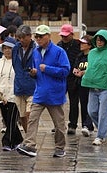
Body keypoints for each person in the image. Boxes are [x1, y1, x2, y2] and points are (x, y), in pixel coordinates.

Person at [17, 25, 70, 158]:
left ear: (49, 36)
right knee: (32, 119)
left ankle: (60, 147)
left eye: (41, 36)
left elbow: (65, 71)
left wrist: (47, 69)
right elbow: (37, 71)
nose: (38, 39)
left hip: (55, 94)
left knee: (59, 124)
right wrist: (34, 73)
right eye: (37, 36)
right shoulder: (35, 52)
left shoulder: (59, 52)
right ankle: (29, 145)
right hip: (40, 92)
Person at [81, 29, 107, 145]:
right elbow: (91, 68)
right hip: (92, 86)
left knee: (103, 113)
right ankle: (105, 129)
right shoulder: (92, 53)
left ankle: (100, 136)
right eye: (98, 39)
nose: (100, 42)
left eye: (102, 40)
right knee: (91, 111)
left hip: (106, 87)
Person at [0, 37, 23, 151]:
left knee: (11, 119)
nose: (7, 50)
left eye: (10, 48)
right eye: (5, 48)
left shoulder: (18, 61)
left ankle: (7, 142)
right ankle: (18, 140)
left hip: (14, 95)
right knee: (7, 119)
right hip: (1, 94)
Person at [57, 24, 81, 135]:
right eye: (62, 36)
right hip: (61, 77)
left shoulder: (78, 45)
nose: (64, 38)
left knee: (74, 101)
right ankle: (58, 124)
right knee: (57, 101)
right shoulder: (59, 45)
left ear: (72, 34)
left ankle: (72, 125)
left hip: (73, 77)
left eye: (66, 36)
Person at [12, 25, 36, 133]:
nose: (21, 40)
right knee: (22, 116)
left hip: (32, 85)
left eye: (23, 37)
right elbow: (14, 64)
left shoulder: (36, 49)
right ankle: (28, 137)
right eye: (19, 38)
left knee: (29, 113)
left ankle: (31, 138)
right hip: (19, 85)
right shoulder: (16, 48)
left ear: (30, 36)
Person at [72, 35, 94, 137]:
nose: (81, 45)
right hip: (80, 83)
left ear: (89, 45)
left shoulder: (93, 55)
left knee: (91, 105)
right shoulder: (79, 56)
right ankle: (86, 125)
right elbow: (76, 66)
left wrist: (84, 72)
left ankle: (88, 124)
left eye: (83, 43)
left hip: (91, 84)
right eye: (80, 43)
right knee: (83, 104)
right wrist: (75, 71)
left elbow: (93, 68)